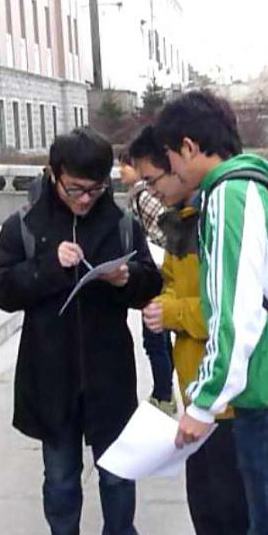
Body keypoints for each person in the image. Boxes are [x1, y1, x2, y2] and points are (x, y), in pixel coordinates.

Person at [155, 90, 268, 535]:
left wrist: (204, 403)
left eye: (170, 157)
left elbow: (234, 313)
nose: (171, 170)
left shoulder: (230, 196)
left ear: (189, 147)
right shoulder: (258, 183)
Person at [0, 127, 162, 535]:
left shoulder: (121, 224)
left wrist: (126, 279)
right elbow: (0, 289)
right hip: (51, 375)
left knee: (118, 475)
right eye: (75, 189)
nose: (85, 199)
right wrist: (49, 266)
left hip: (109, 374)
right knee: (61, 480)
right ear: (53, 174)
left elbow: (151, 283)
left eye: (95, 190)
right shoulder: (25, 226)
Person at [129, 125, 249, 535]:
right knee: (206, 512)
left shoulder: (219, 220)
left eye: (153, 179)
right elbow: (172, 284)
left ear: (178, 162)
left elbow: (234, 310)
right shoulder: (180, 221)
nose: (150, 191)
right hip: (197, 394)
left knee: (231, 516)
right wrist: (157, 302)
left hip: (228, 401)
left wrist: (173, 313)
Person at [117, 152, 176, 415]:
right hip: (159, 273)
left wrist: (150, 249)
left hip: (157, 275)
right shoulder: (140, 195)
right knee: (159, 337)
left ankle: (163, 394)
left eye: (126, 166)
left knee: (154, 339)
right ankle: (165, 391)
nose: (121, 171)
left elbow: (169, 233)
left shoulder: (144, 197)